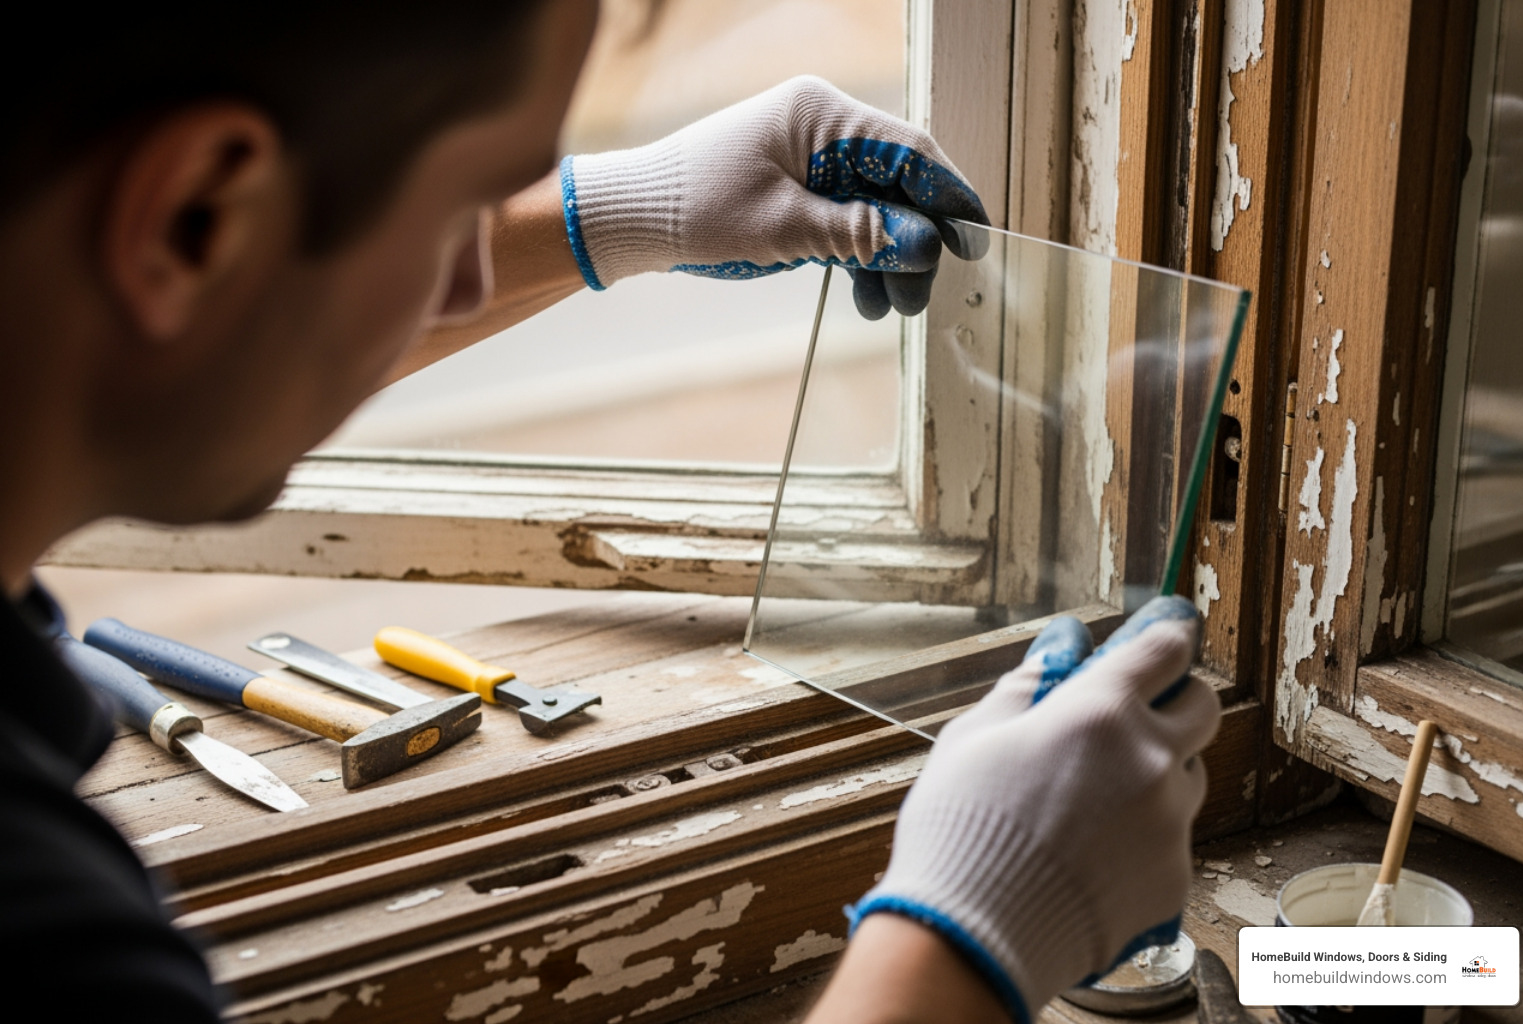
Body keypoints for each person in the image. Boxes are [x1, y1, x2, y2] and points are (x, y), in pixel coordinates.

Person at [0, 3, 1218, 1021]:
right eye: (466, 207)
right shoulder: (56, 938)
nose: (473, 280)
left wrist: (623, 211)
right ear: (197, 214)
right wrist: (967, 933)